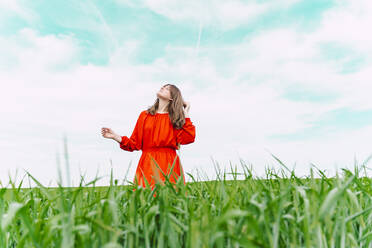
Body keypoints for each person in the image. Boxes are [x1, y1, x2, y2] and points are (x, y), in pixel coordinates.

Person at [101, 84, 196, 194]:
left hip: (169, 163)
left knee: (169, 198)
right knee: (146, 198)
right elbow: (134, 143)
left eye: (167, 89)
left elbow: (189, 138)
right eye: (163, 86)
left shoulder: (175, 118)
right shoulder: (145, 115)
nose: (162, 88)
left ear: (172, 97)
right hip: (147, 162)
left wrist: (186, 113)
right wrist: (115, 136)